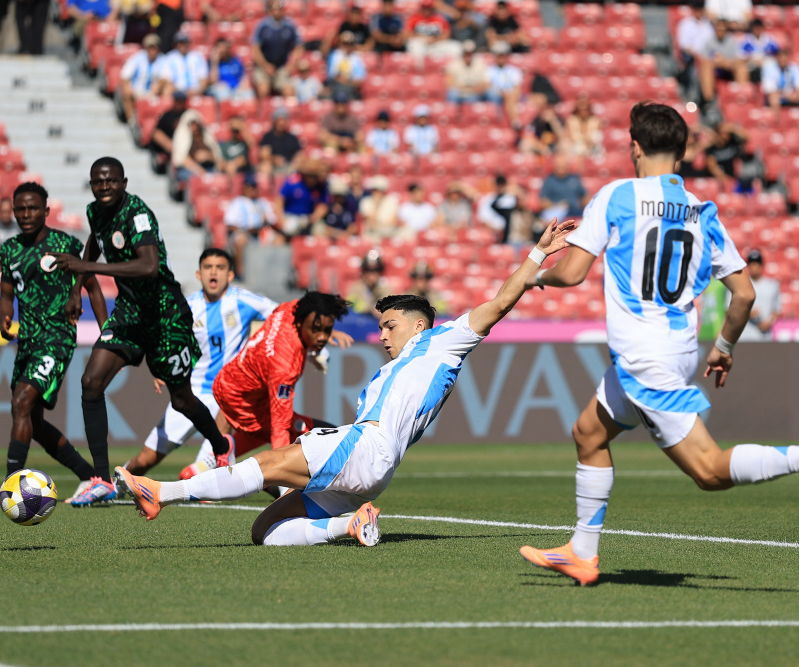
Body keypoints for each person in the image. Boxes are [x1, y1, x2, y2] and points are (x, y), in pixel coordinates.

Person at [518, 102, 799, 587]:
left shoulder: (617, 196)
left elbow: (573, 273)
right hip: (674, 349)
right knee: (588, 434)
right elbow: (743, 293)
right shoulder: (702, 212)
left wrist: (533, 278)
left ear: (634, 147)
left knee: (708, 471)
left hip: (644, 355)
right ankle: (581, 551)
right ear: (681, 154)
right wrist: (724, 347)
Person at [114, 221, 577, 546]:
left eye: (390, 325)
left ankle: (161, 493)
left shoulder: (442, 342)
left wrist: (538, 252)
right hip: (374, 470)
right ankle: (350, 525)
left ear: (419, 326)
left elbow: (498, 304)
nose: (382, 334)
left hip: (365, 447)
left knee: (270, 462)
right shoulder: (402, 363)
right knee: (266, 531)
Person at [48, 157, 232, 506]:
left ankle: (221, 447)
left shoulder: (138, 214)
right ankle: (100, 479)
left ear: (124, 182)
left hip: (164, 315)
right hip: (131, 313)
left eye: (111, 181)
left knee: (181, 400)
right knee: (91, 382)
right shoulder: (95, 212)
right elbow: (93, 243)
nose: (104, 187)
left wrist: (87, 267)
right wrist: (77, 289)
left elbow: (148, 266)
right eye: (98, 182)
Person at [0, 182, 107, 505]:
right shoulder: (10, 249)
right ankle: (90, 477)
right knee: (34, 422)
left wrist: (106, 333)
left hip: (56, 339)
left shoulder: (64, 244)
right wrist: (4, 316)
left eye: (32, 208)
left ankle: (10, 484)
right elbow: (5, 295)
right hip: (27, 340)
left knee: (21, 401)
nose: (26, 214)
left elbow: (93, 288)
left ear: (46, 211)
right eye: (20, 209)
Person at [124, 248, 277, 477]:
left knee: (210, 459)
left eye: (220, 267)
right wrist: (159, 370)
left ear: (230, 275)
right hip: (190, 393)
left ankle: (205, 470)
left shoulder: (243, 301)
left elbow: (284, 313)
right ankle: (115, 484)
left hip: (226, 392)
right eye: (208, 267)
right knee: (145, 459)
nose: (213, 273)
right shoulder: (187, 307)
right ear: (198, 274)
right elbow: (165, 341)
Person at [205, 292, 352, 463]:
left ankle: (206, 464)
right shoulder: (285, 365)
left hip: (232, 380)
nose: (322, 337)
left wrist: (326, 332)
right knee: (318, 433)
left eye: (326, 330)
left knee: (260, 434)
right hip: (243, 401)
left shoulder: (289, 309)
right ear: (300, 322)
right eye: (316, 328)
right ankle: (272, 482)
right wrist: (281, 469)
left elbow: (311, 316)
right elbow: (280, 426)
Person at [224, 173, 278, 275]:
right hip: (245, 233)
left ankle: (272, 273)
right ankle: (241, 273)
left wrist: (265, 220)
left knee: (278, 240)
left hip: (260, 233)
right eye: (250, 187)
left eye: (254, 187)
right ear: (245, 188)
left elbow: (273, 220)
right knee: (241, 239)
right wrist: (247, 230)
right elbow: (230, 224)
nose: (253, 190)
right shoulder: (237, 202)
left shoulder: (262, 202)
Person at [250, 0, 300, 100]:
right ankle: (263, 114)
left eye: (279, 8)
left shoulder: (289, 26)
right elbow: (255, 49)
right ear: (270, 10)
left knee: (289, 93)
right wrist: (265, 66)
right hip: (263, 67)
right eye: (275, 9)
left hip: (281, 67)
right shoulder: (262, 26)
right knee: (263, 90)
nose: (277, 11)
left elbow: (299, 47)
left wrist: (291, 65)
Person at [118, 34, 168, 123]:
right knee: (125, 92)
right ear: (145, 48)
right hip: (137, 91)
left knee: (168, 89)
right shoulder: (137, 58)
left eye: (154, 47)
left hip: (154, 91)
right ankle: (132, 121)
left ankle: (163, 119)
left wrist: (158, 85)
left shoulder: (162, 59)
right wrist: (130, 90)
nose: (152, 50)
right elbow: (124, 76)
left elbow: (166, 77)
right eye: (150, 47)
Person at [698, 19, 749, 107]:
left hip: (730, 69)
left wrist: (724, 62)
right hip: (715, 70)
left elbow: (737, 58)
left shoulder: (732, 41)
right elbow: (706, 60)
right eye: (718, 30)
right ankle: (709, 101)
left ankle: (743, 97)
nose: (720, 32)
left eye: (722, 30)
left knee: (742, 67)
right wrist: (719, 62)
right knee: (706, 68)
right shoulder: (709, 42)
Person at [276, 158, 329, 237]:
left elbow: (324, 206)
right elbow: (279, 201)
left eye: (314, 176)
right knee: (288, 231)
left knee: (321, 231)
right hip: (290, 216)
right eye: (309, 175)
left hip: (309, 218)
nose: (311, 179)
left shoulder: (321, 186)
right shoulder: (292, 182)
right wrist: (282, 220)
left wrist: (311, 219)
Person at [736, 249, 781, 341]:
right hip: (746, 335)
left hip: (765, 335)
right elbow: (732, 308)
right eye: (752, 264)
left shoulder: (772, 285)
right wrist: (747, 313)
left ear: (761, 265)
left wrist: (768, 322)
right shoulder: (742, 285)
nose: (754, 267)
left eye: (757, 263)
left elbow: (777, 309)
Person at [538, 153, 587, 224]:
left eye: (563, 166)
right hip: (557, 213)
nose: (561, 168)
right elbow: (543, 201)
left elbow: (585, 196)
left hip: (575, 212)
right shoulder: (549, 180)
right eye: (559, 166)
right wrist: (558, 205)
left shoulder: (574, 179)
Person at [406, 0, 458, 66]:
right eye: (424, 8)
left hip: (436, 44)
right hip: (421, 43)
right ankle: (419, 71)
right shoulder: (415, 18)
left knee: (455, 47)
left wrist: (435, 40)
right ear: (421, 8)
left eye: (428, 8)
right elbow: (407, 33)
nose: (426, 10)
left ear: (432, 8)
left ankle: (448, 70)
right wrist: (423, 38)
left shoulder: (439, 18)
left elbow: (447, 34)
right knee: (413, 45)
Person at [705, 121, 753, 192]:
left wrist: (733, 128)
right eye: (722, 133)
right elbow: (712, 166)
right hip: (718, 182)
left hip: (733, 180)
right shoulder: (712, 148)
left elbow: (748, 137)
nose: (725, 136)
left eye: (727, 134)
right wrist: (725, 179)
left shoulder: (732, 143)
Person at [147, 90, 187, 174]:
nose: (179, 103)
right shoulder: (167, 115)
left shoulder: (188, 115)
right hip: (170, 145)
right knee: (157, 135)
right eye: (177, 100)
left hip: (185, 144)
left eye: (181, 100)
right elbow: (156, 133)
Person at [761, 46, 799, 113]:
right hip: (778, 97)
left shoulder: (795, 68)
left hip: (792, 96)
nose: (783, 58)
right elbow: (771, 91)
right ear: (777, 57)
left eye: (785, 56)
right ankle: (776, 122)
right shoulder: (769, 69)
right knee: (774, 100)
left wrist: (796, 95)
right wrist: (787, 96)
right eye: (781, 56)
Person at [485, 41, 523, 129]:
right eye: (499, 55)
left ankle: (515, 121)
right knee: (507, 94)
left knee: (510, 95)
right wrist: (502, 93)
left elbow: (518, 88)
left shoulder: (514, 70)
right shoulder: (490, 70)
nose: (501, 58)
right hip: (495, 95)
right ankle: (515, 120)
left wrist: (509, 93)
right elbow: (487, 86)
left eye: (503, 55)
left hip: (510, 95)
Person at [206, 37, 254, 102]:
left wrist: (243, 84)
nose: (222, 50)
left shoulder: (235, 60)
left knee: (249, 93)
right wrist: (214, 62)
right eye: (219, 47)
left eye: (224, 47)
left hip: (237, 89)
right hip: (222, 89)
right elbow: (213, 81)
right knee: (223, 93)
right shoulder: (211, 63)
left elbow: (243, 76)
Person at [162, 30, 208, 97]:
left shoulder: (198, 56)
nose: (182, 45)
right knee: (166, 91)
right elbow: (167, 79)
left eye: (184, 42)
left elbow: (203, 79)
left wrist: (198, 91)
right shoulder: (169, 58)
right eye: (179, 43)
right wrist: (180, 91)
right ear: (176, 44)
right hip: (177, 91)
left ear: (188, 43)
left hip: (195, 91)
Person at [258, 107, 302, 176]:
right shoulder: (268, 137)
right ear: (275, 121)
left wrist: (296, 162)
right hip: (273, 166)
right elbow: (264, 155)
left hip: (288, 167)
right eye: (279, 120)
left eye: (284, 120)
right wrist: (274, 159)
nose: (281, 123)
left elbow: (299, 154)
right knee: (264, 167)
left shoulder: (292, 138)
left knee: (298, 168)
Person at [346, 250, 392, 315]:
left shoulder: (384, 288)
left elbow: (389, 306)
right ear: (364, 272)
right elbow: (350, 304)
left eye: (377, 270)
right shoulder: (356, 287)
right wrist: (370, 309)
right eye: (369, 270)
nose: (373, 274)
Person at [476, 174, 519, 243]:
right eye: (498, 184)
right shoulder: (487, 199)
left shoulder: (511, 198)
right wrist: (493, 230)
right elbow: (483, 220)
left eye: (502, 185)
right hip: (490, 232)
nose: (500, 187)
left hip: (507, 233)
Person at [325, 31, 367, 101]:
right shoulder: (334, 55)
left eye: (350, 43)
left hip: (350, 87)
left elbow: (359, 79)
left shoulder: (357, 58)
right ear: (340, 43)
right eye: (345, 43)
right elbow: (331, 75)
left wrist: (346, 81)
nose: (347, 46)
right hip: (336, 86)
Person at [445, 40, 488, 105]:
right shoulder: (455, 63)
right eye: (466, 53)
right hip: (460, 91)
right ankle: (451, 113)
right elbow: (449, 82)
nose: (468, 55)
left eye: (470, 53)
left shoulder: (480, 63)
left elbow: (486, 83)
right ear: (463, 53)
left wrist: (476, 88)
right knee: (452, 93)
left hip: (474, 92)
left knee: (473, 98)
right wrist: (462, 88)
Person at [358, 175, 400, 241]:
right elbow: (371, 222)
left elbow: (393, 222)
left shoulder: (391, 201)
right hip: (373, 233)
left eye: (379, 190)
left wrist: (381, 225)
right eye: (375, 190)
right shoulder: (366, 201)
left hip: (388, 232)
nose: (377, 192)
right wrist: (376, 204)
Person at [564, 94, 603, 159]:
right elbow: (569, 136)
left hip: (592, 145)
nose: (583, 111)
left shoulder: (595, 120)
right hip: (576, 145)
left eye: (585, 109)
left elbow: (597, 136)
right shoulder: (571, 120)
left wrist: (588, 143)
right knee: (577, 148)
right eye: (581, 109)